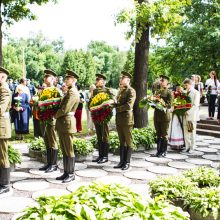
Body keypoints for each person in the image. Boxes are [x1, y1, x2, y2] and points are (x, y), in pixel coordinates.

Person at [55, 70, 80, 183]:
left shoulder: (72, 92)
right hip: (64, 123)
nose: (65, 80)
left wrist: (55, 115)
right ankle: (66, 172)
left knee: (69, 149)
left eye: (68, 79)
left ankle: (71, 173)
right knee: (65, 149)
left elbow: (65, 109)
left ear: (73, 80)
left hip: (67, 123)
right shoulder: (69, 92)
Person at [114, 71, 136, 170]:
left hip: (127, 120)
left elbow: (129, 105)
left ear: (128, 80)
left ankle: (127, 162)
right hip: (119, 119)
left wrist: (117, 108)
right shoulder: (120, 91)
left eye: (122, 78)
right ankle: (121, 162)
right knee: (121, 141)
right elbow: (117, 102)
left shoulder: (131, 91)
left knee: (128, 141)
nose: (120, 80)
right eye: (120, 78)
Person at [39, 70, 59, 173]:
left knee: (53, 141)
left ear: (52, 79)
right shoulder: (43, 91)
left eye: (47, 77)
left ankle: (54, 164)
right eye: (45, 77)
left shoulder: (56, 91)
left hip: (51, 120)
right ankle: (49, 163)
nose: (45, 78)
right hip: (43, 119)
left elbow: (58, 104)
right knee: (47, 141)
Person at [91, 73, 113, 164]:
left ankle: (105, 156)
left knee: (105, 135)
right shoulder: (95, 91)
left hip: (104, 116)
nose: (96, 81)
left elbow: (112, 101)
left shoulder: (108, 90)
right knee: (99, 135)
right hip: (96, 115)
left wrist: (106, 111)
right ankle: (100, 156)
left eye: (98, 80)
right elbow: (91, 101)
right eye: (96, 79)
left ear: (103, 81)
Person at [152, 75, 172, 157]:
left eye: (163, 80)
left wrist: (161, 101)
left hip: (164, 116)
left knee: (164, 134)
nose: (161, 81)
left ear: (167, 82)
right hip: (157, 115)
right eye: (160, 80)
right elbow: (154, 104)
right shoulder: (157, 92)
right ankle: (158, 151)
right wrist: (152, 103)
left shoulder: (169, 92)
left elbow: (169, 105)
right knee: (158, 134)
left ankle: (164, 151)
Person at [0, 67, 11, 194]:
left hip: (2, 126)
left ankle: (5, 185)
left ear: (3, 77)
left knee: (3, 156)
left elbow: (1, 109)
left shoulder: (4, 90)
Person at [182, 79, 200, 153]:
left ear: (190, 84)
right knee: (186, 132)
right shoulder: (184, 92)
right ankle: (187, 147)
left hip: (191, 116)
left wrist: (188, 112)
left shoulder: (196, 92)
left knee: (191, 131)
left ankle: (192, 147)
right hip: (184, 115)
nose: (185, 87)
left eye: (186, 85)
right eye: (185, 85)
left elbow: (196, 105)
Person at [168, 85, 185, 150]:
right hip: (175, 115)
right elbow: (173, 105)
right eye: (178, 90)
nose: (178, 91)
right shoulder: (174, 96)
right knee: (174, 127)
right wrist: (171, 110)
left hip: (180, 114)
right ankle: (174, 143)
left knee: (178, 128)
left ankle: (179, 143)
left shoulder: (183, 97)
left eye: (180, 90)